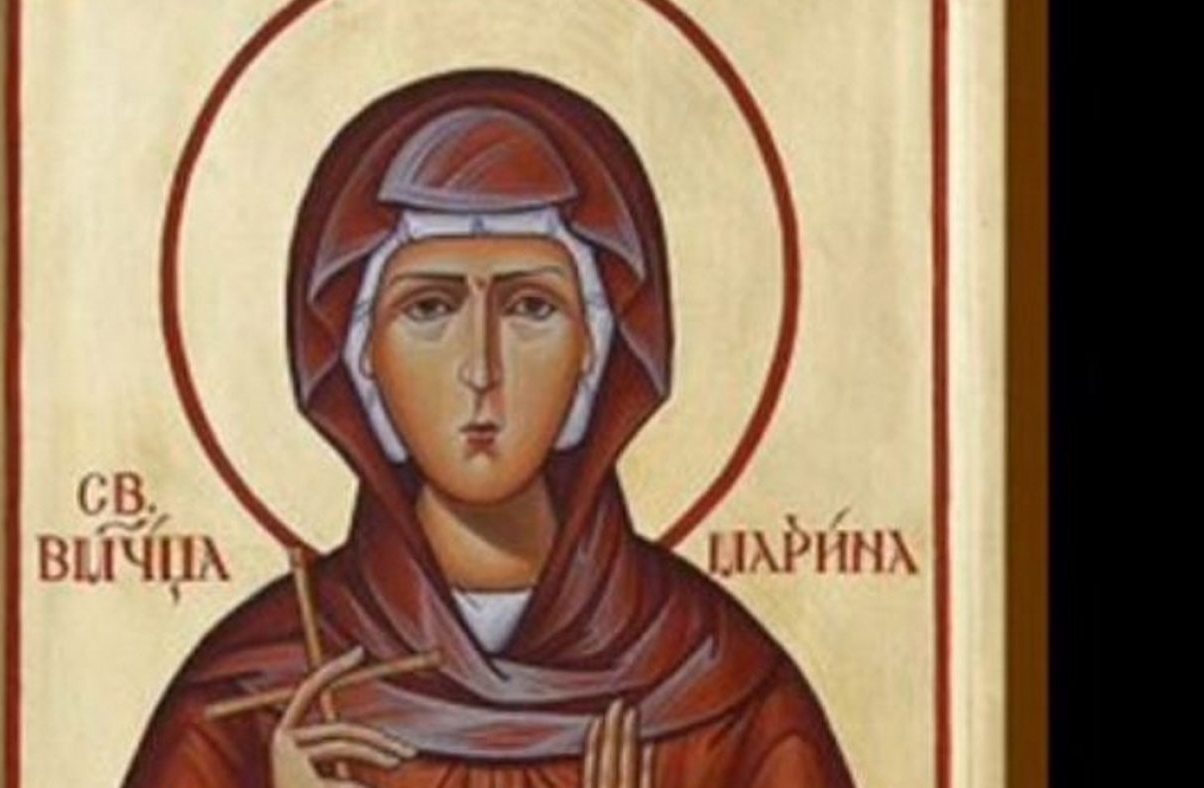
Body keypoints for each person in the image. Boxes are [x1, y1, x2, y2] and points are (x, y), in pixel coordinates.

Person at [123, 70, 854, 788]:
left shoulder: (727, 690)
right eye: (429, 308)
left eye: (530, 306)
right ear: (362, 356)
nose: (481, 368)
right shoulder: (249, 707)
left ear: (595, 350)